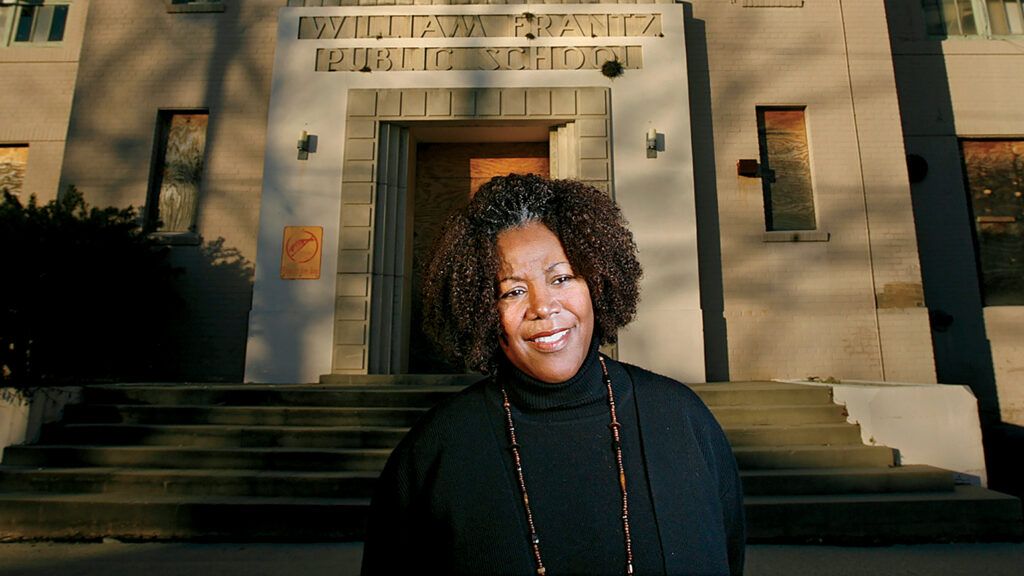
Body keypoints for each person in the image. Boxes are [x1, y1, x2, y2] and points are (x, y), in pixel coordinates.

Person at [361, 174, 745, 575]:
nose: (543, 307)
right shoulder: (436, 451)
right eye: (512, 291)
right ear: (481, 309)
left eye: (561, 278)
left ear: (596, 282)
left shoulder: (681, 418)